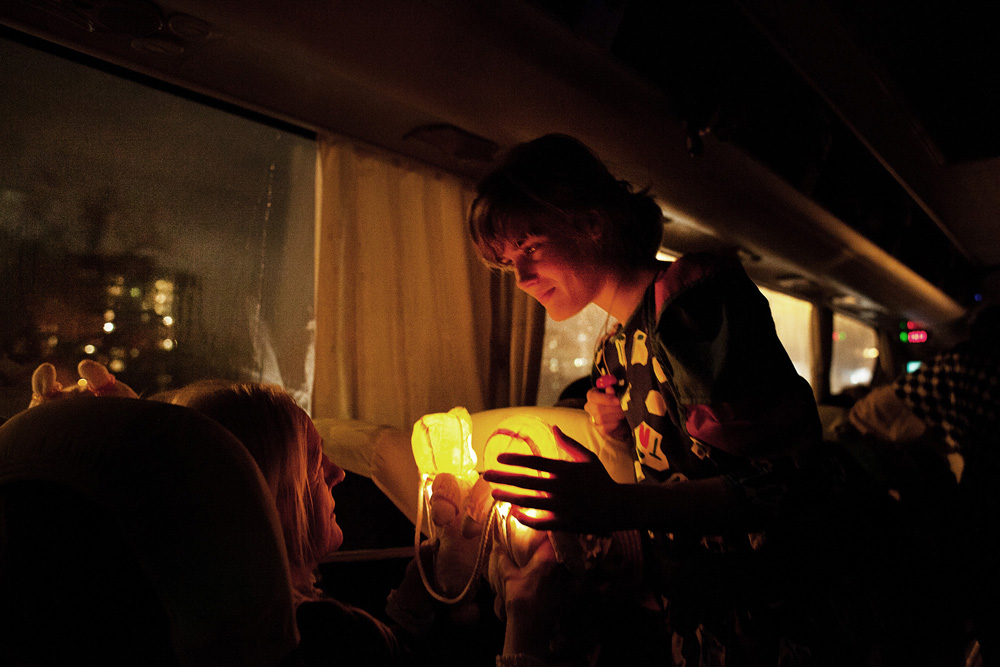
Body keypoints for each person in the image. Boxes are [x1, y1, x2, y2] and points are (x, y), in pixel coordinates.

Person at [468, 134, 869, 665]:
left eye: (531, 248)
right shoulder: (612, 352)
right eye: (507, 263)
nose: (520, 278)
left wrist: (614, 505)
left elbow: (784, 485)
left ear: (592, 222)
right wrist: (616, 433)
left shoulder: (694, 306)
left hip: (781, 614)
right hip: (700, 617)